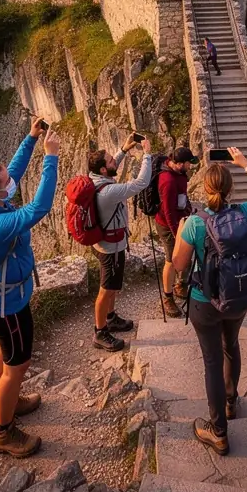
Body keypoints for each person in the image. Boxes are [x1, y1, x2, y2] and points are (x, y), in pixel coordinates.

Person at [0, 117, 60, 458]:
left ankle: (10, 400)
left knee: (5, 352)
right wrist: (51, 157)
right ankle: (3, 432)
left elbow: (12, 172)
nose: (12, 184)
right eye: (6, 184)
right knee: (18, 364)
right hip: (9, 307)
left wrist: (30, 139)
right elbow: (40, 207)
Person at [172, 148, 247, 456]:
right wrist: (246, 164)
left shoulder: (194, 223)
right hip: (237, 299)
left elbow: (179, 265)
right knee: (232, 346)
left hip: (205, 303)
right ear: (230, 190)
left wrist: (179, 233)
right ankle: (231, 402)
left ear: (204, 190)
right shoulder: (243, 213)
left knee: (212, 362)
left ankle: (218, 432)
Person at [89, 136, 154, 351]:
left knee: (112, 286)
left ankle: (110, 317)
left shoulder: (95, 179)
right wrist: (147, 154)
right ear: (104, 170)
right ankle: (100, 332)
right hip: (111, 248)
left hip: (104, 242)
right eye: (110, 161)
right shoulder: (109, 192)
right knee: (106, 290)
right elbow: (141, 183)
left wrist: (124, 149)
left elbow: (112, 164)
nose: (113, 161)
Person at [155, 147, 199, 317]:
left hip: (181, 220)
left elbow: (181, 197)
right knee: (171, 260)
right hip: (168, 225)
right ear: (180, 164)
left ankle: (181, 285)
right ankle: (167, 298)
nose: (190, 166)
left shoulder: (178, 174)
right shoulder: (168, 181)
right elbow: (168, 212)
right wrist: (177, 234)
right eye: (189, 163)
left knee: (187, 252)